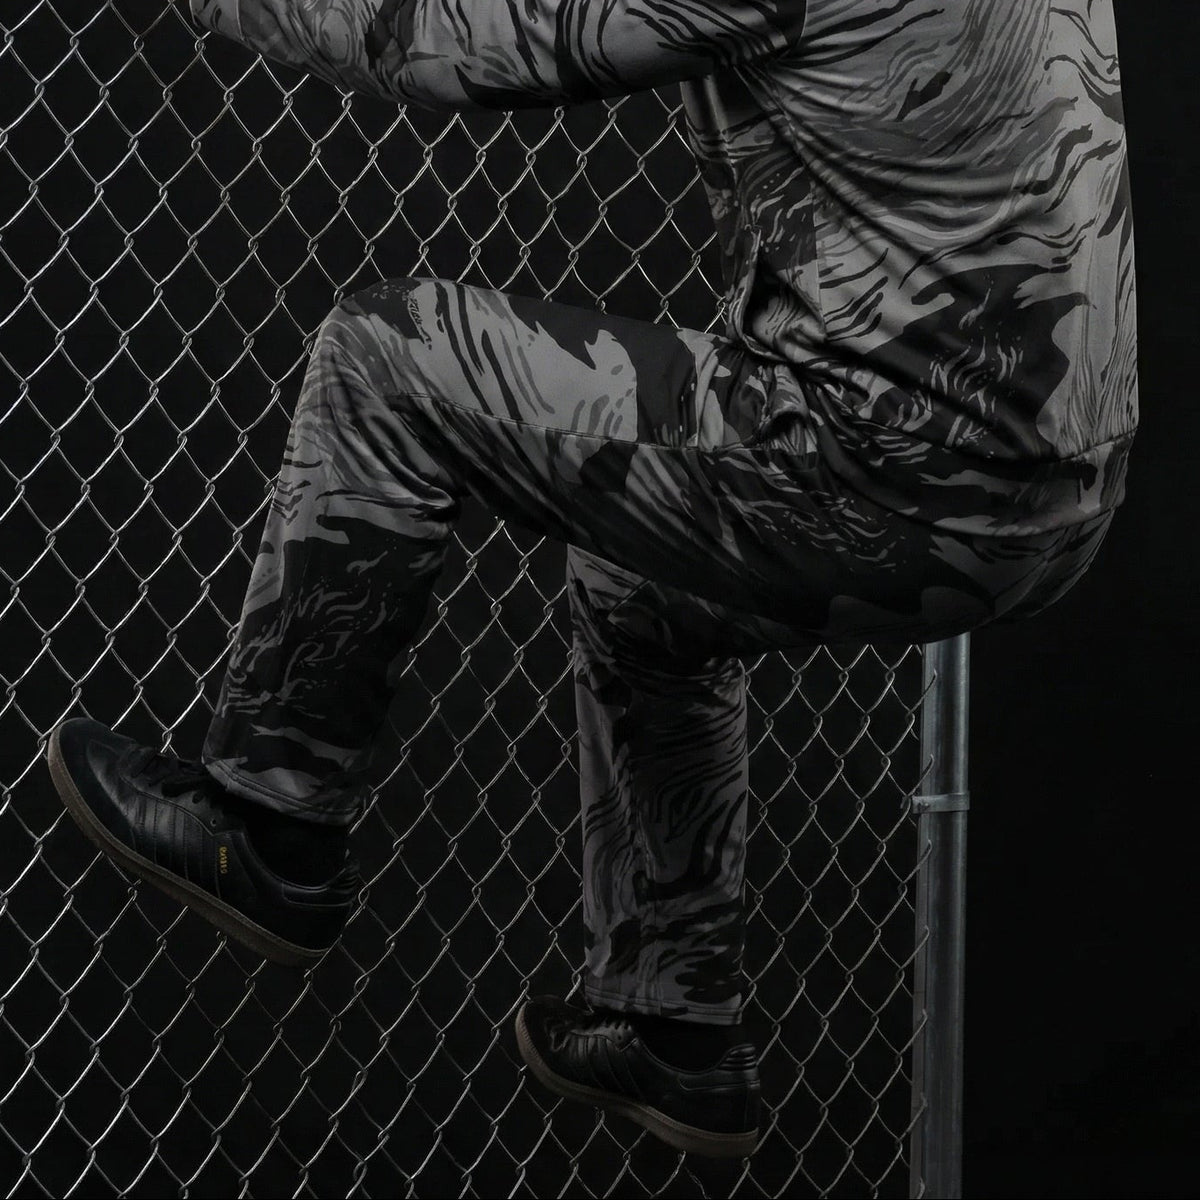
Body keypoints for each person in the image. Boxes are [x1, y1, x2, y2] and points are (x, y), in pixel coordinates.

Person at [47, 0, 1136, 1160]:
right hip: (1054, 498)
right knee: (637, 578)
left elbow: (444, 52)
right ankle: (672, 1019)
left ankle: (270, 823)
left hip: (884, 473)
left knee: (384, 356)